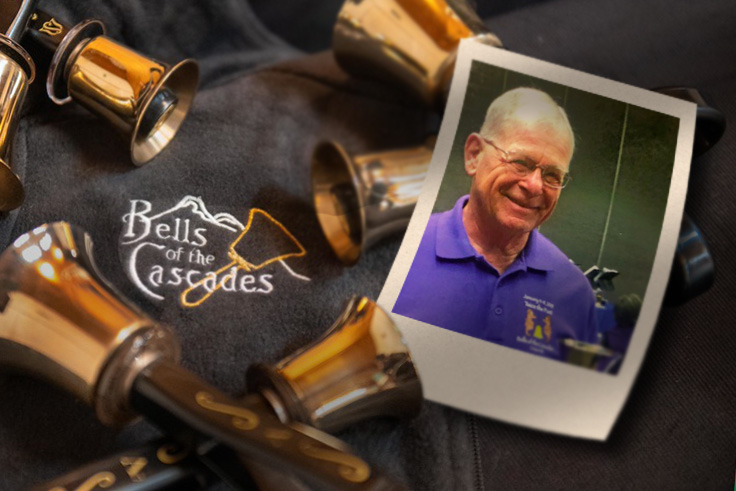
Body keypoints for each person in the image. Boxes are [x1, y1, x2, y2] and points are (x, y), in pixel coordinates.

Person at [393, 87, 598, 361]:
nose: (534, 185)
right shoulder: (404, 245)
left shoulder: (575, 293)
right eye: (520, 162)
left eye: (552, 175)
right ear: (474, 155)